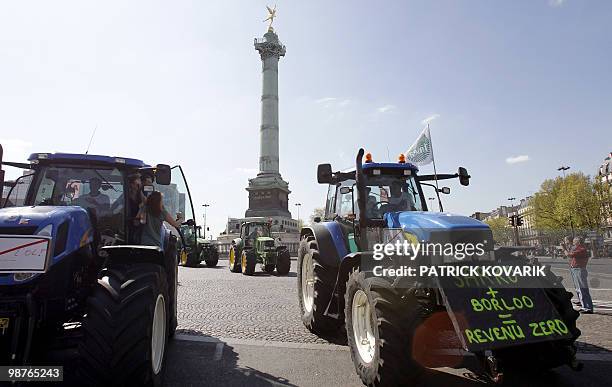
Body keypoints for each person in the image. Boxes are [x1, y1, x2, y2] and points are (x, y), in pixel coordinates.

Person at [565, 237, 593, 314]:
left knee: (582, 289)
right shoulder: (578, 248)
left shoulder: (581, 249)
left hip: (579, 270)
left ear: (578, 242)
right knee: (579, 288)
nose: (573, 242)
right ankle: (583, 303)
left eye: (574, 241)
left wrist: (564, 248)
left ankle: (587, 307)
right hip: (576, 269)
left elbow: (569, 255)